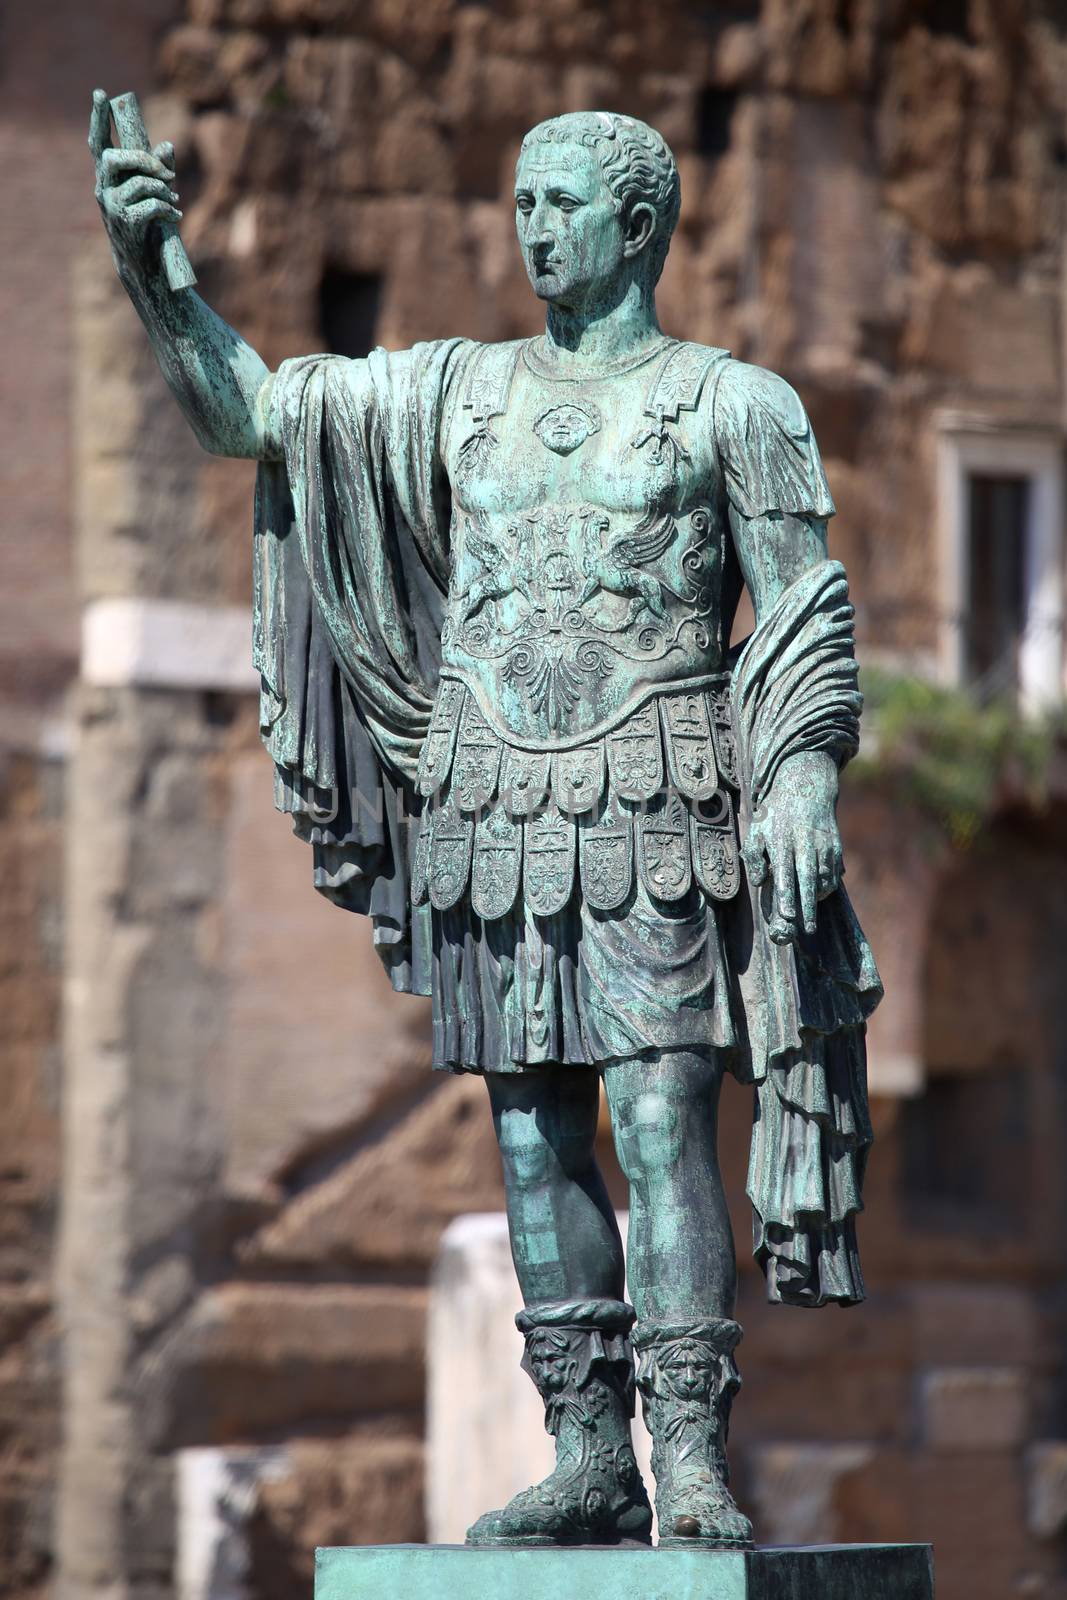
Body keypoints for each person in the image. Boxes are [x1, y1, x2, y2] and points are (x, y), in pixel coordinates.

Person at [90, 96, 881, 1550]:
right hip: (495, 804)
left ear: (638, 225)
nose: (529, 228)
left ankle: (689, 1450)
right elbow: (254, 417)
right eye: (520, 201)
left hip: (659, 797)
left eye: (559, 204)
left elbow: (807, 614)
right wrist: (161, 275)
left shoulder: (736, 404)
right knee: (530, 1139)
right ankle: (588, 1453)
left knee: (657, 1119)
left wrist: (809, 772)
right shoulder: (453, 392)